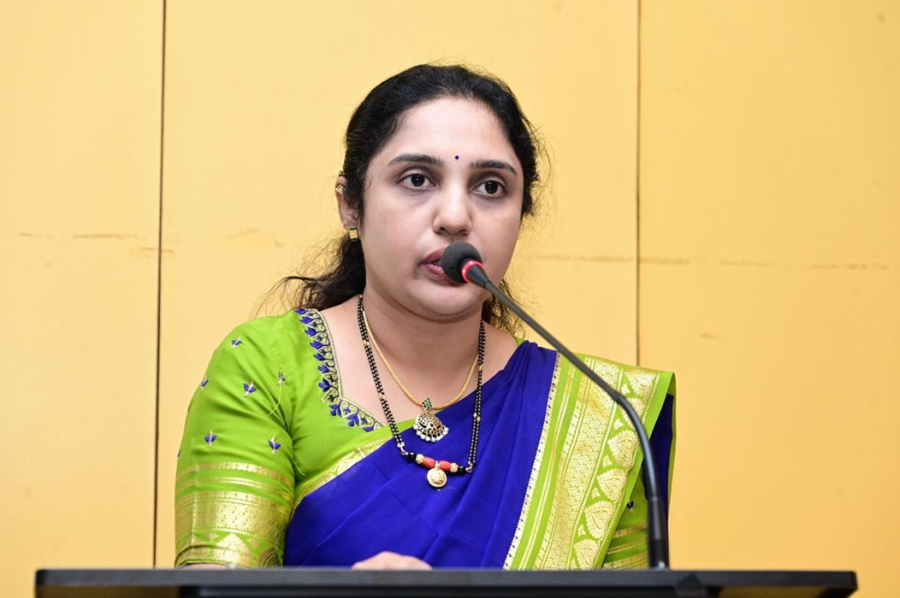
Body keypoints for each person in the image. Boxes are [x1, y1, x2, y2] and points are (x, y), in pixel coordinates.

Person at [174, 64, 675, 570]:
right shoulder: (268, 368)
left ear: (522, 214)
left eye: (490, 187)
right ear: (350, 204)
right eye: (417, 179)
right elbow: (216, 592)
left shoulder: (600, 413)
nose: (455, 217)